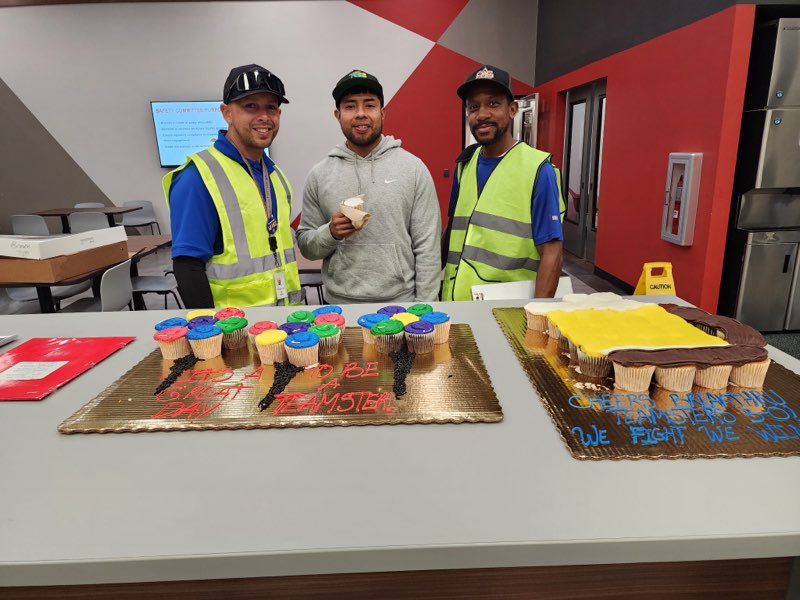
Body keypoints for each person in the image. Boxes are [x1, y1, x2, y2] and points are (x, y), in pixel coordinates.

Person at [296, 69, 441, 304]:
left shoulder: (413, 169)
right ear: (338, 115)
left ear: (382, 112)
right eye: (350, 106)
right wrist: (330, 233)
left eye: (370, 105)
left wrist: (424, 309)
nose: (361, 114)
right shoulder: (319, 175)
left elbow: (428, 248)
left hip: (401, 305)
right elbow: (306, 246)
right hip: (339, 306)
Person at [164, 64, 302, 308]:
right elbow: (188, 267)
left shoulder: (275, 175)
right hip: (235, 327)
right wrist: (210, 329)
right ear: (227, 113)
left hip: (285, 323)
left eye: (271, 107)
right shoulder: (198, 177)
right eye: (250, 106)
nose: (264, 117)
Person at [441, 65, 564, 301]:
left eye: (493, 104)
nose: (482, 114)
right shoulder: (465, 164)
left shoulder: (538, 169)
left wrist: (537, 312)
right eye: (473, 107)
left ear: (513, 109)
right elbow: (453, 232)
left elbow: (552, 253)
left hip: (507, 308)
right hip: (456, 301)